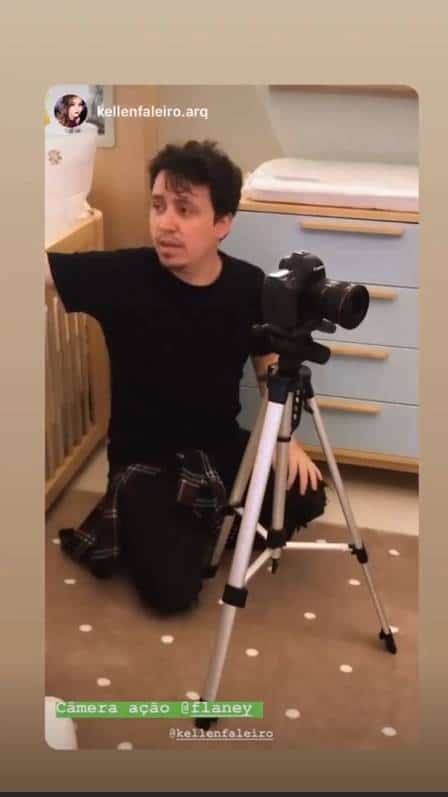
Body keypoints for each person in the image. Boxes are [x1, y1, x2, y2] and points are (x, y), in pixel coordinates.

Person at [45, 139, 327, 614]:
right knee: (172, 593)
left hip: (219, 448)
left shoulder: (249, 285)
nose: (166, 223)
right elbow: (42, 269)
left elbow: (268, 366)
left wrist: (285, 438)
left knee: (305, 493)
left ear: (222, 223)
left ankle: (197, 520)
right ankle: (184, 522)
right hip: (145, 464)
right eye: (158, 206)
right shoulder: (124, 274)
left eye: (185, 209)